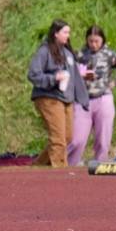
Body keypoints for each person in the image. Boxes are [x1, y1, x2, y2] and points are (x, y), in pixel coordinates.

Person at [28, 20, 87, 168]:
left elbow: (76, 79)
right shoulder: (44, 51)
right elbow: (33, 74)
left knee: (67, 137)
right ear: (56, 33)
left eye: (69, 32)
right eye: (65, 32)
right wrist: (53, 78)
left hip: (67, 99)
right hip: (49, 97)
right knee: (58, 139)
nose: (69, 35)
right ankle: (61, 171)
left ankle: (38, 165)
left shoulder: (67, 53)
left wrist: (83, 99)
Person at [67, 26, 116, 165]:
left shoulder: (110, 55)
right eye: (91, 41)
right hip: (82, 100)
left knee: (103, 140)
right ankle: (68, 165)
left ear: (102, 40)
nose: (93, 44)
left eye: (97, 41)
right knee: (76, 139)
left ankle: (100, 164)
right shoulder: (80, 55)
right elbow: (69, 71)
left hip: (103, 97)